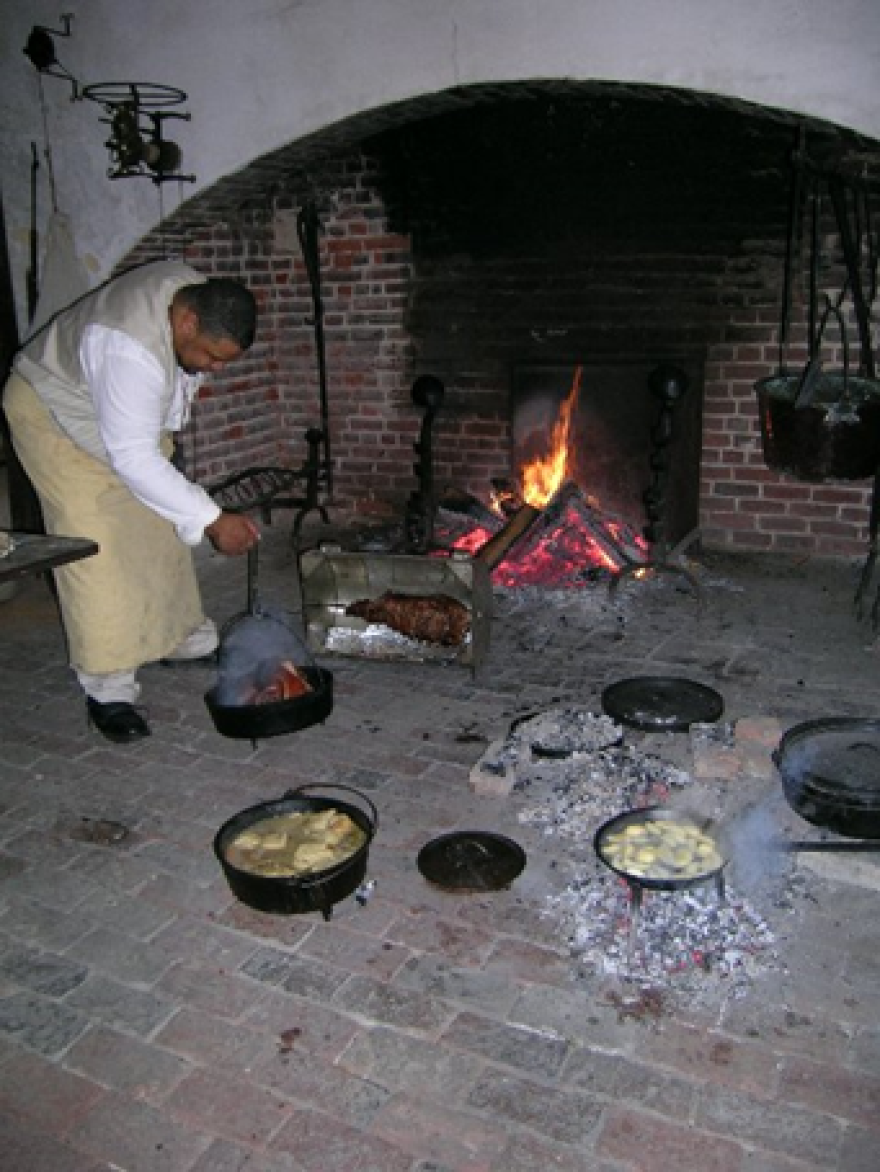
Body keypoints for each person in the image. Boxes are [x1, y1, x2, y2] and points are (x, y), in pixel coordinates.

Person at [2, 259, 261, 744]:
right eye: (210, 357)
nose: (214, 369)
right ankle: (108, 688)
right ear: (187, 322)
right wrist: (212, 519)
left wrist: (184, 498)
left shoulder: (192, 299)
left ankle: (182, 638)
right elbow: (136, 459)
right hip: (53, 411)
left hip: (113, 413)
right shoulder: (127, 347)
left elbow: (142, 444)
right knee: (97, 547)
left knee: (159, 529)